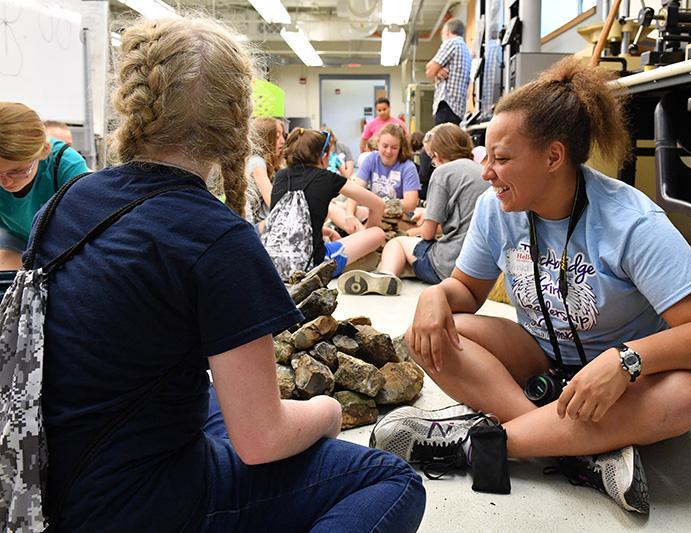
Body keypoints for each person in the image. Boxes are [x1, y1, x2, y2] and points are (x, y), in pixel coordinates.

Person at [35, 15, 425, 531]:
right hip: (149, 504)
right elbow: (262, 440)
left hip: (50, 484)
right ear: (236, 119)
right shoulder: (216, 235)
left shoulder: (65, 204)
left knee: (219, 397)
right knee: (393, 481)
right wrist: (329, 410)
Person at [371, 58, 691, 514]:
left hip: (617, 382)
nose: (486, 171)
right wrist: (433, 295)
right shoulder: (495, 208)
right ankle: (575, 447)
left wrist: (626, 359)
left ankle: (472, 444)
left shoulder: (631, 221)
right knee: (431, 332)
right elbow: (466, 294)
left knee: (688, 394)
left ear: (553, 157)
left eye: (501, 159)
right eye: (487, 157)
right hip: (538, 362)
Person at [339, 123, 488, 295]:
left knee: (398, 244)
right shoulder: (485, 173)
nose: (388, 151)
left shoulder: (442, 173)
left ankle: (385, 273)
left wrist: (409, 234)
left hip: (450, 266)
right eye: (385, 146)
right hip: (479, 268)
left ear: (437, 156)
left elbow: (427, 234)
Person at [270, 127, 386, 279]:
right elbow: (378, 204)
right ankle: (361, 262)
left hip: (273, 265)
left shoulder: (281, 176)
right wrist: (365, 236)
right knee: (377, 234)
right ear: (324, 157)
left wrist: (327, 231)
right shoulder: (326, 177)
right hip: (312, 265)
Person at [0, 102, 88, 270]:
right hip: (14, 236)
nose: (6, 182)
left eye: (17, 171)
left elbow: (85, 229)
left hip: (64, 239)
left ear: (44, 151)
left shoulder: (66, 166)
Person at [419, 18, 472, 201]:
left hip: (446, 103)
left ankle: (427, 194)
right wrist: (439, 70)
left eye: (442, 34)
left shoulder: (452, 42)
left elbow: (429, 70)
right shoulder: (465, 48)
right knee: (448, 151)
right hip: (457, 108)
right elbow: (434, 70)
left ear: (448, 32)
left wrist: (436, 69)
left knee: (434, 148)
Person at [348, 123, 420, 219]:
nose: (388, 151)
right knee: (340, 208)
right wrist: (349, 215)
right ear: (378, 144)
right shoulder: (371, 159)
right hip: (374, 211)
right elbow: (355, 190)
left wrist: (378, 204)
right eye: (385, 146)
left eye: (394, 148)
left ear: (400, 148)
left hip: (398, 216)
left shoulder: (408, 167)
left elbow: (410, 203)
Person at [245, 116, 286, 231]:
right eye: (277, 137)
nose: (283, 141)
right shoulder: (257, 163)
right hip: (254, 228)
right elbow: (273, 201)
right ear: (265, 139)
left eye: (283, 135)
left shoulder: (273, 165)